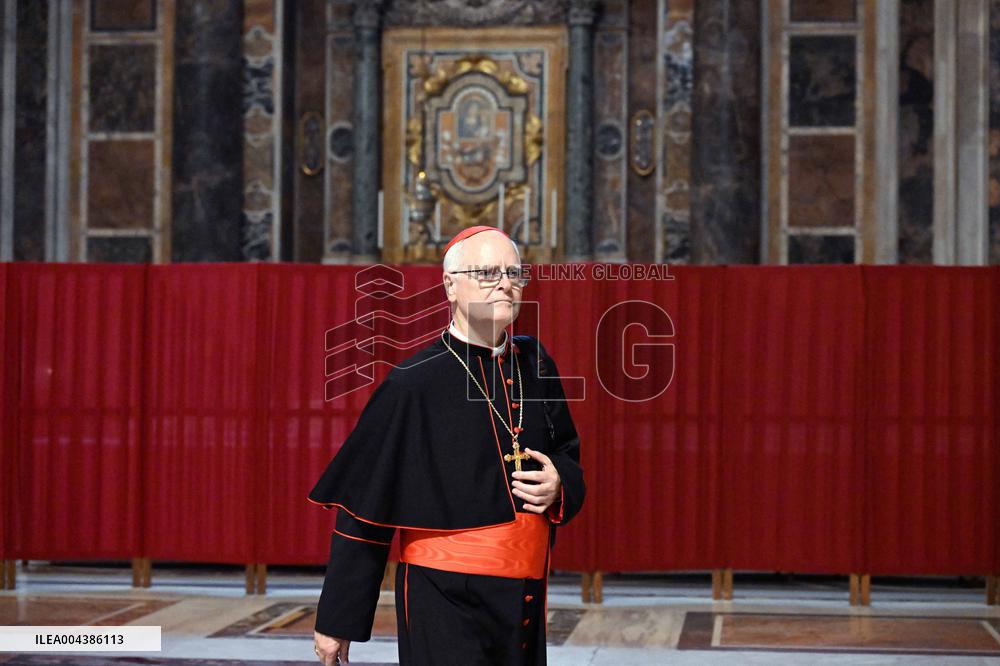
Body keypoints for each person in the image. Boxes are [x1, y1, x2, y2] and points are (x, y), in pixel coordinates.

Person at [308, 225, 586, 665]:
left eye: (515, 273)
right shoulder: (412, 383)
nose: (506, 284)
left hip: (525, 593)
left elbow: (568, 455)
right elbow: (365, 509)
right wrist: (337, 619)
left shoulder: (535, 364)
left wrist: (559, 484)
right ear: (450, 286)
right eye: (488, 272)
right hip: (444, 596)